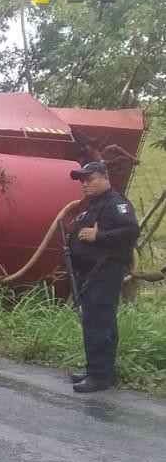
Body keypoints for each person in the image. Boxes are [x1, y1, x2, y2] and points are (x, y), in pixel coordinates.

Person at [66, 161, 139, 393]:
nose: (85, 184)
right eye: (83, 181)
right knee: (96, 322)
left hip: (105, 272)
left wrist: (99, 236)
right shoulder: (95, 205)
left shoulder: (116, 203)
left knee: (98, 323)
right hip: (92, 273)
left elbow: (131, 231)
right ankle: (97, 370)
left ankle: (99, 376)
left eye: (91, 179)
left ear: (106, 178)